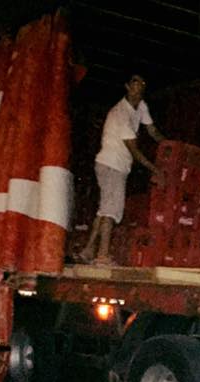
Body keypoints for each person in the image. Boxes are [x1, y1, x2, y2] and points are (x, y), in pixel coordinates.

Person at [78, 74, 165, 265]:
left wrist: (169, 146)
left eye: (142, 83)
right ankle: (102, 256)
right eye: (135, 83)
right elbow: (133, 150)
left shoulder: (140, 106)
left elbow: (152, 130)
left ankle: (88, 250)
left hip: (116, 165)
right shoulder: (121, 114)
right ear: (127, 86)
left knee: (104, 209)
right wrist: (154, 169)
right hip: (112, 165)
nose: (139, 86)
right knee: (111, 210)